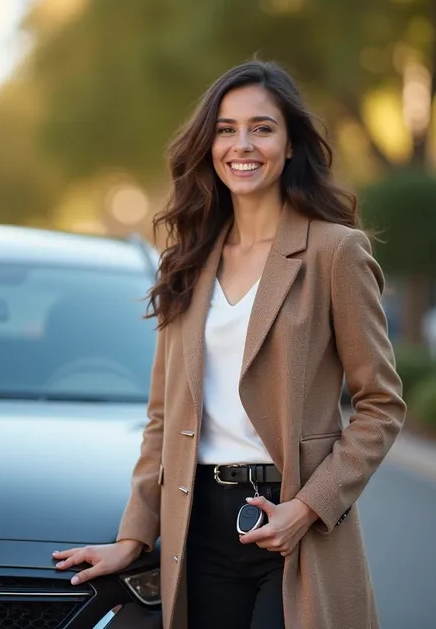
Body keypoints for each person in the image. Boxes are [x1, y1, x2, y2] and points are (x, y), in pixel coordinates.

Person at [52, 60, 406, 629]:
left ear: (290, 145)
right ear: (209, 144)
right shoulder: (186, 261)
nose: (242, 144)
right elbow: (163, 419)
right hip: (198, 527)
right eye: (226, 129)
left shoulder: (335, 253)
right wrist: (134, 534)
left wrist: (308, 509)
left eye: (262, 128)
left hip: (293, 522)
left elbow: (382, 405)